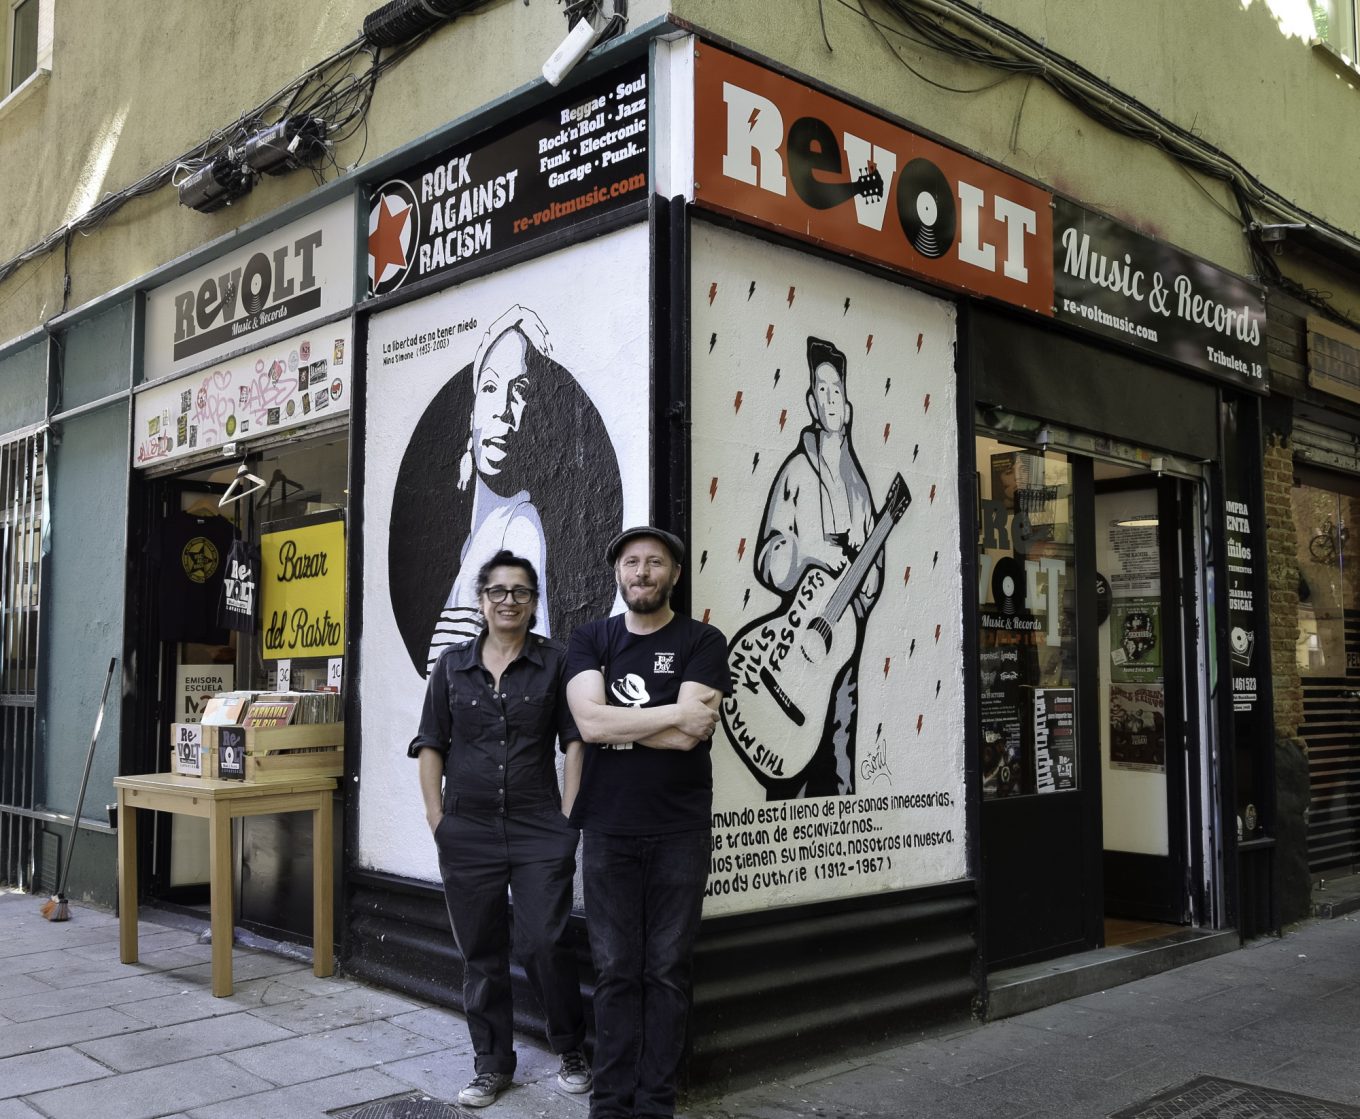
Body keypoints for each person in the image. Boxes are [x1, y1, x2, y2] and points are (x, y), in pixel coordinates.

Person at [410, 549, 592, 1109]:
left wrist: (568, 820)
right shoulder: (451, 666)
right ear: (481, 600)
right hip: (467, 826)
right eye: (498, 591)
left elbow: (576, 741)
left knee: (545, 941)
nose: (508, 601)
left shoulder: (556, 663)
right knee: (481, 952)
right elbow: (430, 745)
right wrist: (437, 819)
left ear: (534, 603)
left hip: (540, 824)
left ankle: (571, 1047)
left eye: (520, 592)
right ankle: (492, 1065)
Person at [565, 527, 731, 1119]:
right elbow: (588, 726)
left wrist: (621, 719)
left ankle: (656, 1102)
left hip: (680, 830)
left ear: (674, 575)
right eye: (631, 562)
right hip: (607, 829)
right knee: (614, 971)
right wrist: (669, 715)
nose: (642, 572)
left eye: (655, 562)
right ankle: (610, 1103)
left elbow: (694, 734)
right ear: (618, 572)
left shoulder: (703, 640)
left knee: (665, 970)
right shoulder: (591, 639)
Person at [385, 303, 623, 678]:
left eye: (520, 391)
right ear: (472, 411)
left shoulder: (520, 528)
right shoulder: (469, 538)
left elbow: (532, 668)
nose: (503, 411)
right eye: (492, 386)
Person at [753, 335, 883, 797]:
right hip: (793, 652)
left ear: (848, 406)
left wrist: (861, 583)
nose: (830, 400)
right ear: (811, 402)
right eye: (822, 390)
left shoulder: (861, 490)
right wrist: (810, 558)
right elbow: (768, 560)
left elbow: (874, 572)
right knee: (787, 767)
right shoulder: (794, 474)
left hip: (842, 655)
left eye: (837, 391)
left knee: (839, 765)